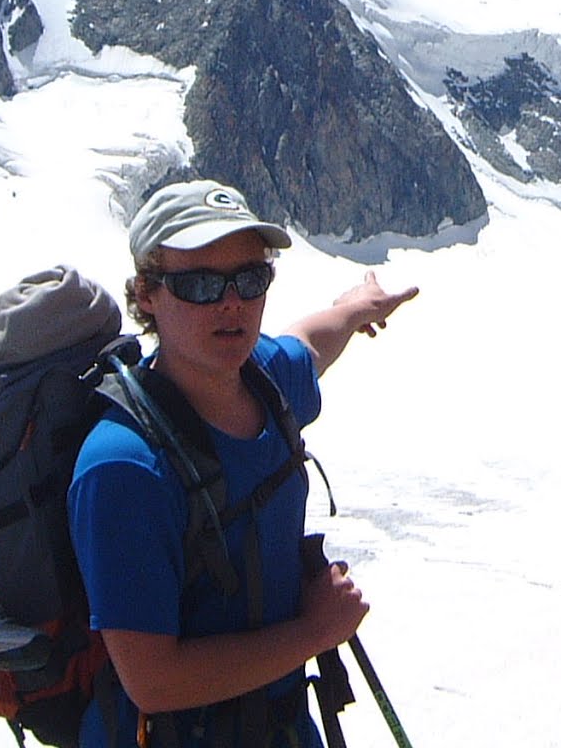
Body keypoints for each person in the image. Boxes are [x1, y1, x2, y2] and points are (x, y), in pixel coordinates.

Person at [69, 179, 417, 748]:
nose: (232, 303)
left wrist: (354, 309)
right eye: (201, 285)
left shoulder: (263, 379)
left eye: (251, 279)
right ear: (148, 294)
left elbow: (310, 342)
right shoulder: (125, 468)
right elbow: (153, 682)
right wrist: (314, 632)